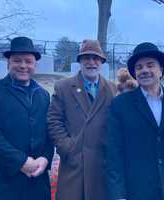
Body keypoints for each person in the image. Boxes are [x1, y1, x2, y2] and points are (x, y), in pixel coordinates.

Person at [0, 36, 54, 200]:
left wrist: (45, 158)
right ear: (8, 63)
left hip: (36, 184)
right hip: (1, 184)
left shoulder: (43, 95)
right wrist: (21, 162)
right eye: (17, 60)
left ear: (35, 65)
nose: (23, 66)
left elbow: (49, 133)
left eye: (28, 61)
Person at [48, 39, 117, 200]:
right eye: (86, 58)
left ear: (101, 61)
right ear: (80, 61)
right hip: (74, 165)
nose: (91, 62)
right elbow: (54, 121)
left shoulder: (112, 89)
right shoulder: (63, 87)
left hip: (101, 165)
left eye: (95, 58)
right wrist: (68, 148)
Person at [107, 42, 164, 200]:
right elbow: (114, 153)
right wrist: (118, 195)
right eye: (139, 67)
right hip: (138, 191)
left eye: (150, 65)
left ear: (161, 70)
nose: (144, 70)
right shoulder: (120, 105)